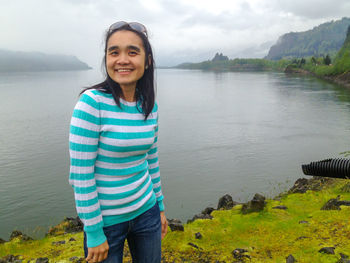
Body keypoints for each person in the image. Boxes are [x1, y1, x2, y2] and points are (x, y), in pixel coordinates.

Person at [68, 21, 167, 263]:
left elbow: (151, 160)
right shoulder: (92, 104)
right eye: (114, 52)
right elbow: (81, 175)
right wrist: (93, 231)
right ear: (107, 59)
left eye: (132, 52)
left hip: (147, 211)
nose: (122, 60)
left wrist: (160, 207)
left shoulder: (149, 105)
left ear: (148, 60)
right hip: (107, 223)